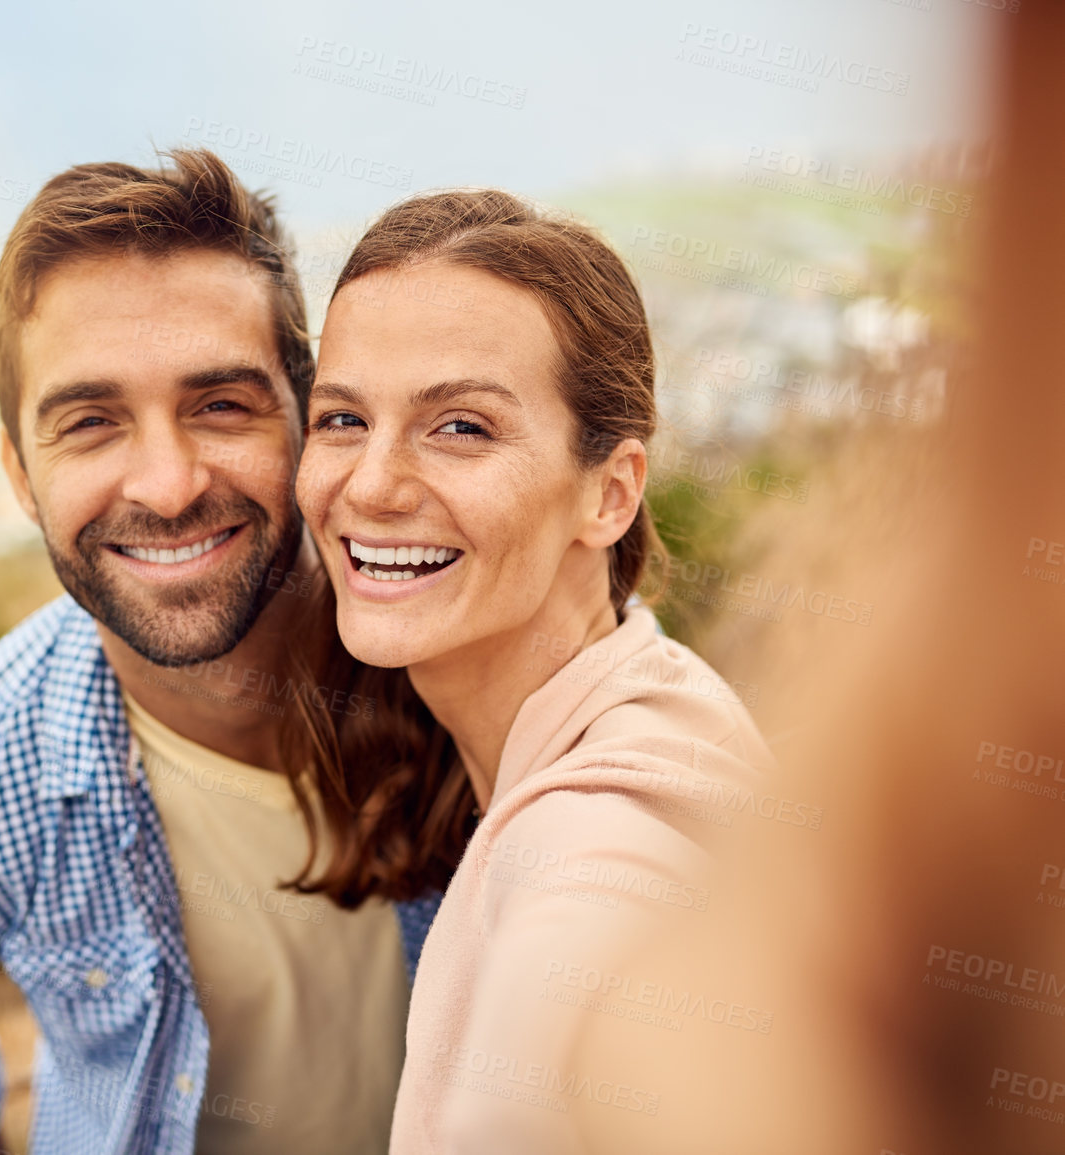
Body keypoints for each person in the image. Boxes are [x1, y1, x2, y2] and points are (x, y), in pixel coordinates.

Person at [0, 149, 442, 1155]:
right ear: (21, 475)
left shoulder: (483, 669)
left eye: (220, 405)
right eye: (91, 422)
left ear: (310, 417)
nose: (165, 484)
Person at [284, 189, 776, 1153]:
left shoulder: (597, 855)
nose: (370, 483)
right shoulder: (653, 702)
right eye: (340, 419)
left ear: (610, 491)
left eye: (460, 427)